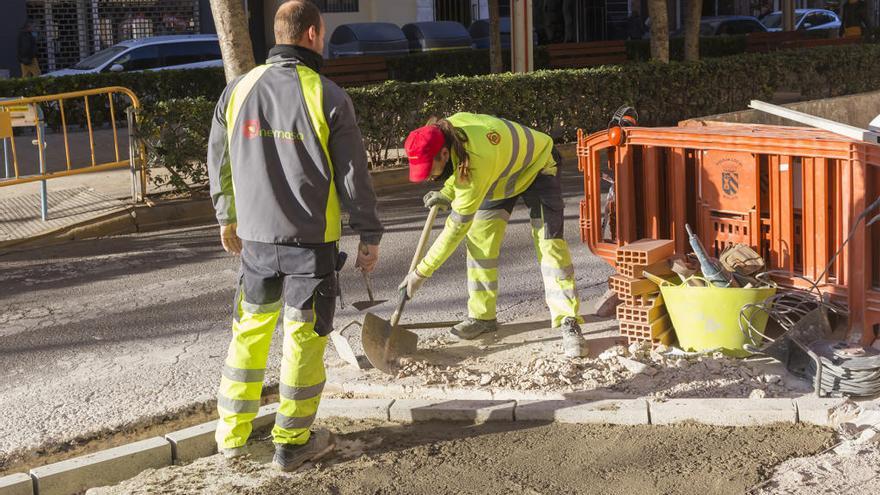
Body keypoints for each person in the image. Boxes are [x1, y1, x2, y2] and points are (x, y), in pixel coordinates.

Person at [206, 0, 383, 472]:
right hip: (310, 242)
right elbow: (352, 176)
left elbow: (219, 161)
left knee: (250, 331)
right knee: (304, 337)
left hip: (256, 240)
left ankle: (231, 437)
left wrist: (227, 216)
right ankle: (292, 440)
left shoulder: (238, 90)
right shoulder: (326, 94)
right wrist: (368, 231)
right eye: (322, 33)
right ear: (310, 34)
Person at [398, 113, 589, 358]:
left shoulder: (478, 159)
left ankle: (568, 320)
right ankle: (482, 317)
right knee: (480, 241)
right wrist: (447, 191)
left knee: (549, 243)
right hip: (499, 176)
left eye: (428, 169)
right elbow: (459, 167)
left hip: (538, 167)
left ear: (443, 154)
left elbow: (455, 228)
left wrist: (420, 273)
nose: (427, 177)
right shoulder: (448, 133)